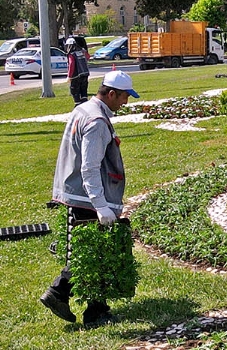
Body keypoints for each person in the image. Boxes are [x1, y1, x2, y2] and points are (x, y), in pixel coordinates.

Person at [40, 70, 139, 326]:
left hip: (78, 194)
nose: (125, 103)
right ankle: (66, 297)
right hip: (87, 197)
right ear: (111, 93)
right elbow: (90, 167)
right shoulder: (96, 121)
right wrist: (100, 205)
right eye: (124, 97)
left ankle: (93, 306)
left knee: (95, 253)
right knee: (93, 255)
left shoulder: (84, 109)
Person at [65, 37, 91, 106]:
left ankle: (77, 106)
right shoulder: (82, 51)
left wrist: (69, 76)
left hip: (76, 76)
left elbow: (71, 64)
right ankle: (85, 104)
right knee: (84, 91)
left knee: (75, 91)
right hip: (85, 74)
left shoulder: (72, 54)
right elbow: (88, 57)